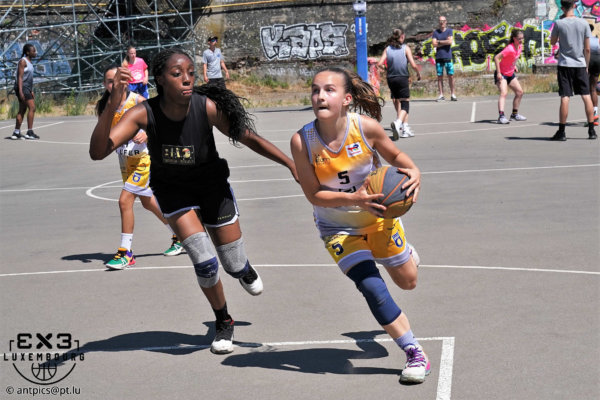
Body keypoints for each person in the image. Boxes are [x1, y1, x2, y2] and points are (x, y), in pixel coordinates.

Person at [90, 48, 298, 354]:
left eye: (190, 72)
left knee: (232, 263)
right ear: (160, 79)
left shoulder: (206, 107)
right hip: (174, 190)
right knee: (205, 262)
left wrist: (290, 164)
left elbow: (248, 137)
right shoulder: (143, 113)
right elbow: (98, 151)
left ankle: (243, 269)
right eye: (177, 74)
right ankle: (223, 320)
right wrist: (112, 103)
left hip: (211, 185)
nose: (187, 79)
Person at [290, 67, 429, 384]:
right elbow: (314, 195)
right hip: (337, 228)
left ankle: (406, 252)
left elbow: (399, 159)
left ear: (346, 98)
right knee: (372, 288)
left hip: (379, 219)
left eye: (329, 90)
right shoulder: (302, 141)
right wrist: (355, 199)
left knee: (408, 283)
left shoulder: (365, 128)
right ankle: (414, 352)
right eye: (315, 90)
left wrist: (415, 172)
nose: (320, 96)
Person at [95, 64, 183, 270]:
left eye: (117, 80)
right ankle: (180, 234)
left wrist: (147, 133)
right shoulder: (105, 107)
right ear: (105, 84)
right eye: (110, 81)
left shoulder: (138, 101)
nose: (114, 84)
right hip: (126, 162)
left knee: (124, 200)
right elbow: (103, 134)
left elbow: (162, 124)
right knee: (148, 203)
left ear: (125, 82)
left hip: (144, 160)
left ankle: (125, 252)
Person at [550, 0, 597, 141]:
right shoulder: (583, 23)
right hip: (580, 64)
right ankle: (591, 131)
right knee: (586, 95)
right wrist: (586, 65)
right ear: (575, 6)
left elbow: (552, 42)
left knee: (565, 97)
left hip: (565, 64)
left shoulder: (559, 23)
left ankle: (562, 132)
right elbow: (587, 49)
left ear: (562, 8)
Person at [377, 28, 421, 139]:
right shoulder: (405, 48)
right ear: (402, 37)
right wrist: (418, 73)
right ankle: (398, 123)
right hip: (402, 78)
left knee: (397, 100)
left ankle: (405, 129)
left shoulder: (387, 49)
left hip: (391, 79)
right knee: (405, 103)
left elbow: (379, 63)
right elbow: (413, 64)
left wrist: (387, 68)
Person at [493, 28, 527, 124]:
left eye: (522, 38)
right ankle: (501, 117)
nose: (521, 40)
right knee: (504, 93)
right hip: (502, 74)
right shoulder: (509, 48)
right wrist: (499, 73)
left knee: (519, 92)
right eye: (519, 39)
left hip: (510, 73)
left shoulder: (520, 47)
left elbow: (513, 58)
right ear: (514, 38)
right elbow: (496, 58)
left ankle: (514, 115)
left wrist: (514, 65)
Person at [11, 43, 40, 140]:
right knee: (32, 107)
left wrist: (31, 90)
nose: (35, 52)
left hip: (26, 88)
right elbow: (20, 77)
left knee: (22, 109)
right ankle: (29, 132)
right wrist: (20, 91)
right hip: (22, 87)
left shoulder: (29, 62)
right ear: (28, 52)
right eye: (33, 51)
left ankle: (16, 132)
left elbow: (29, 79)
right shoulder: (23, 61)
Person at [432, 16, 457, 102]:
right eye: (440, 21)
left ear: (446, 22)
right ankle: (441, 95)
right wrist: (444, 42)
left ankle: (453, 94)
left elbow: (450, 42)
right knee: (439, 76)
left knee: (451, 76)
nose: (442, 23)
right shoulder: (435, 32)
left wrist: (439, 41)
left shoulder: (449, 31)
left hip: (448, 56)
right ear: (439, 22)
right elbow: (434, 44)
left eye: (443, 21)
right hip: (439, 57)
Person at [587, 24, 600, 126]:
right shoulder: (596, 39)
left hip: (589, 59)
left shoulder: (584, 39)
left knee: (586, 90)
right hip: (598, 60)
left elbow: (586, 51)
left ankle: (590, 117)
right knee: (593, 89)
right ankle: (595, 113)